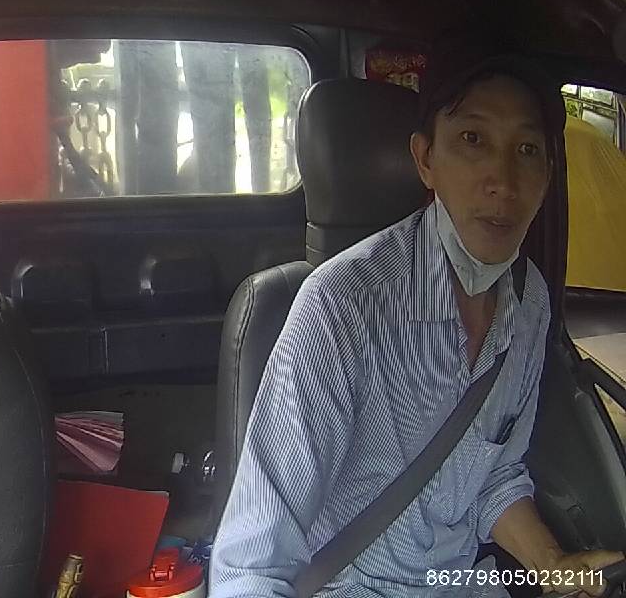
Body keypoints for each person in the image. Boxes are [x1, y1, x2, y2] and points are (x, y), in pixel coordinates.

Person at [208, 44, 624, 598]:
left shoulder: (530, 306)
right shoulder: (341, 308)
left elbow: (494, 477)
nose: (503, 181)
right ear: (425, 159)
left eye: (527, 150)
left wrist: (553, 564)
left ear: (548, 175)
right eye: (473, 139)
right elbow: (252, 566)